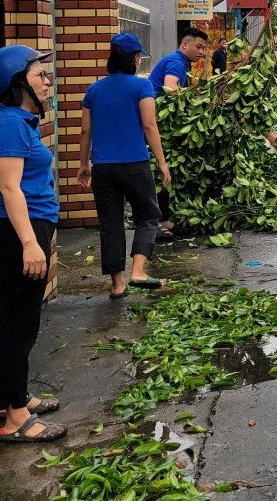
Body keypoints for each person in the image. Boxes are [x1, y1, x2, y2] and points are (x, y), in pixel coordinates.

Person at [0, 45, 67, 443]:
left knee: (15, 321)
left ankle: (10, 399)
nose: (48, 83)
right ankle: (15, 420)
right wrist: (31, 244)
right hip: (17, 235)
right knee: (20, 326)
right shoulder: (11, 124)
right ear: (17, 84)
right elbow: (10, 188)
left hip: (22, 232)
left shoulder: (17, 121)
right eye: (40, 76)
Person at [77, 33, 172, 298]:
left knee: (110, 223)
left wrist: (83, 164)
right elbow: (149, 125)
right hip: (134, 164)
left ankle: (117, 284)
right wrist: (162, 162)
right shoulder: (141, 87)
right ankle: (138, 271)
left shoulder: (93, 90)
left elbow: (85, 132)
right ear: (133, 58)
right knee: (148, 216)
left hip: (103, 168)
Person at [148, 27, 208, 240]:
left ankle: (162, 218)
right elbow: (171, 89)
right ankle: (157, 221)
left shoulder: (178, 61)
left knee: (166, 169)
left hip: (160, 120)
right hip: (158, 121)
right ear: (185, 44)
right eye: (198, 47)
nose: (201, 52)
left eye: (203, 48)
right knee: (163, 169)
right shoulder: (176, 62)